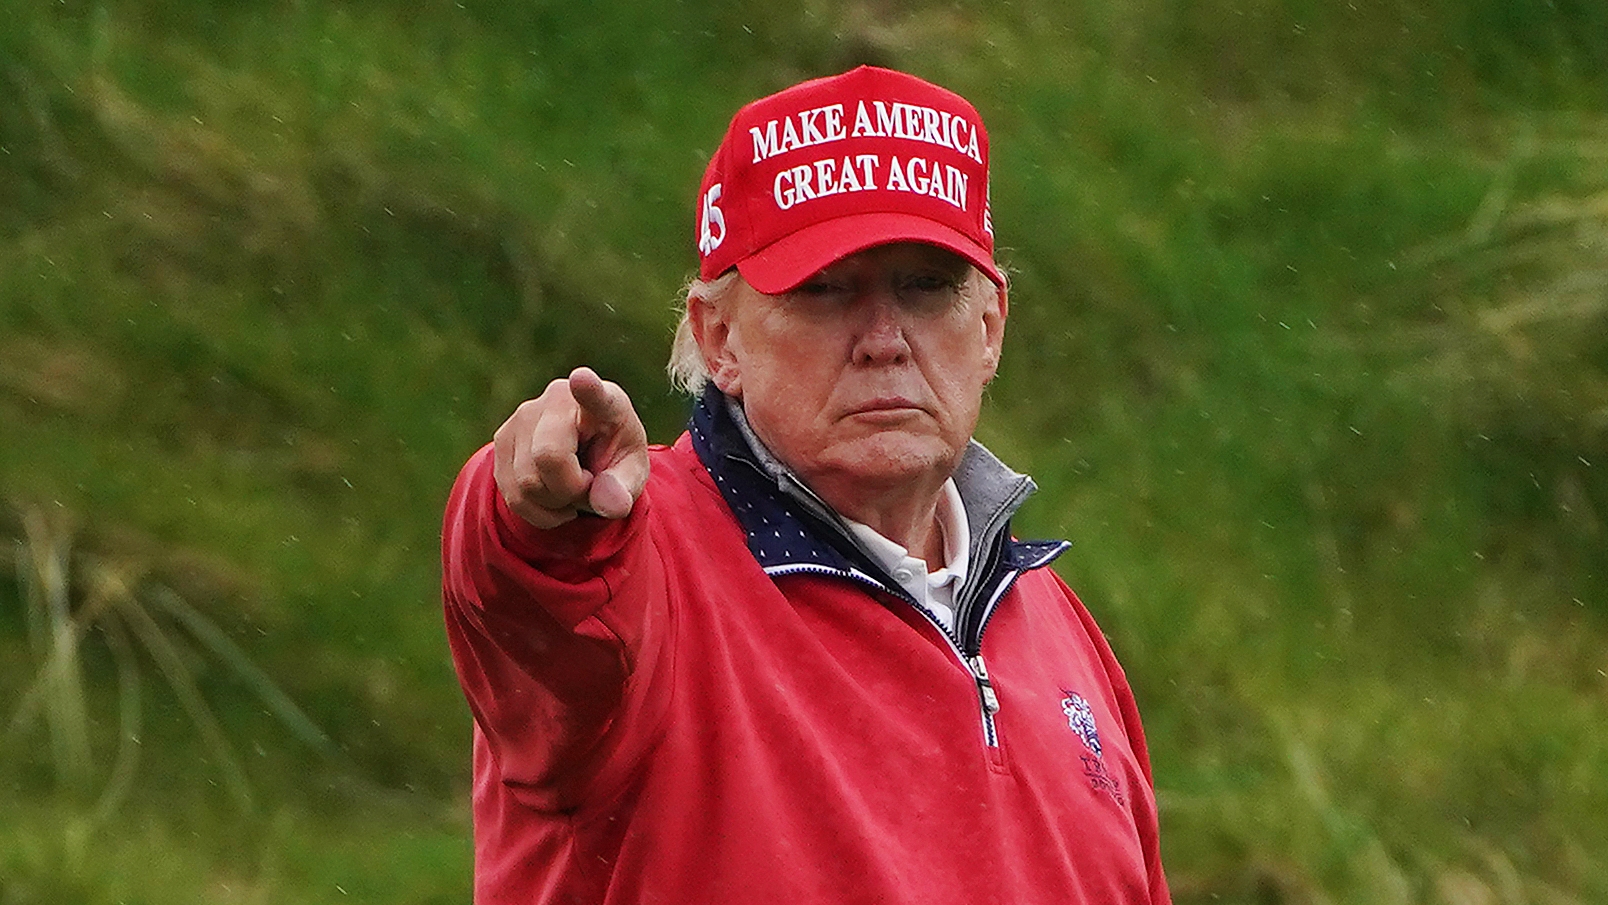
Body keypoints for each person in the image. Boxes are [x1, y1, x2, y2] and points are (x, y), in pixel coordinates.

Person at [442, 65, 1171, 904]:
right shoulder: (633, 572)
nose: (885, 340)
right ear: (719, 338)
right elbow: (532, 592)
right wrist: (531, 511)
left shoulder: (1057, 628)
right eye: (824, 291)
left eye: (926, 285)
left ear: (990, 328)